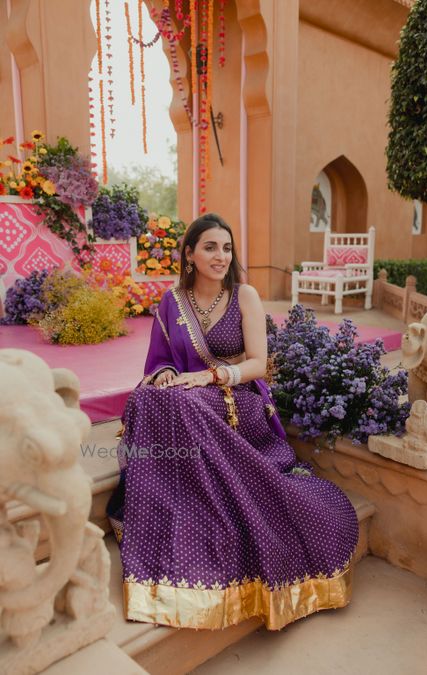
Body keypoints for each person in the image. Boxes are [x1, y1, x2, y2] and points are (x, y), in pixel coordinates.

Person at [107, 212, 359, 631]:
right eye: (210, 247)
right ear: (189, 254)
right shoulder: (172, 301)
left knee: (181, 406)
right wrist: (167, 374)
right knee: (147, 398)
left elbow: (259, 365)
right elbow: (160, 360)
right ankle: (174, 499)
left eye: (226, 248)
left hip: (237, 397)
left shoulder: (245, 296)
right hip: (188, 395)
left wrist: (212, 375)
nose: (221, 256)